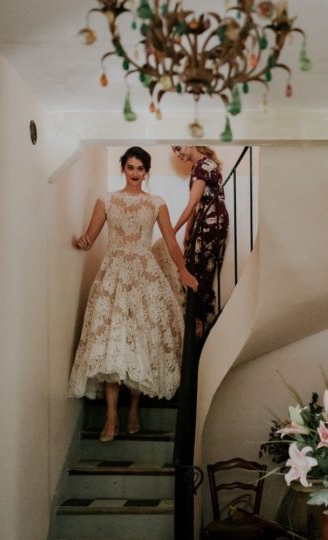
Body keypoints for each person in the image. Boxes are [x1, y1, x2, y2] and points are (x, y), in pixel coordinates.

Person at [68, 146, 198, 442]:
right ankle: (112, 417)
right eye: (130, 168)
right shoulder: (107, 200)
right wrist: (82, 241)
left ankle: (133, 411)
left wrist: (183, 271)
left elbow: (170, 242)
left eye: (140, 169)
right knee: (113, 344)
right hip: (113, 276)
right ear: (123, 169)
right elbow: (91, 236)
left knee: (142, 342)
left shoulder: (156, 203)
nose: (135, 174)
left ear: (146, 171)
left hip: (144, 276)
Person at [171, 145, 229, 336]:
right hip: (207, 222)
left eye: (179, 148)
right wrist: (188, 232)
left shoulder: (202, 166)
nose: (178, 154)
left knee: (198, 275)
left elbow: (193, 202)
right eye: (174, 151)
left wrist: (172, 230)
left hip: (212, 223)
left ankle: (202, 327)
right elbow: (198, 204)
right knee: (198, 272)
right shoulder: (200, 165)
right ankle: (202, 324)